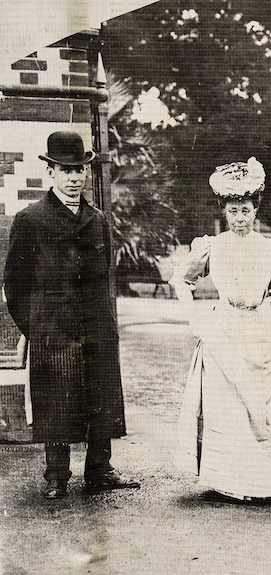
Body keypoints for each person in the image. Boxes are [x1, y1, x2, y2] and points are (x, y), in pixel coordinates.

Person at [3, 131, 139, 499]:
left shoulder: (98, 220)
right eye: (66, 170)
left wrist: (105, 323)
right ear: (51, 173)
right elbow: (14, 284)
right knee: (57, 399)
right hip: (54, 328)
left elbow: (106, 276)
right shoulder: (30, 219)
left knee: (101, 395)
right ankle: (57, 475)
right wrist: (36, 327)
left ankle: (100, 469)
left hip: (96, 325)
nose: (75, 178)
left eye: (80, 170)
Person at [172, 157, 271, 501]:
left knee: (261, 409)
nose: (240, 218)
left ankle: (264, 480)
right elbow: (182, 279)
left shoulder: (270, 249)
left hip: (259, 332)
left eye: (246, 210)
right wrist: (197, 319)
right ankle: (229, 480)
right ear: (224, 211)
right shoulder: (211, 246)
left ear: (256, 211)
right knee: (230, 409)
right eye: (233, 210)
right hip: (224, 331)